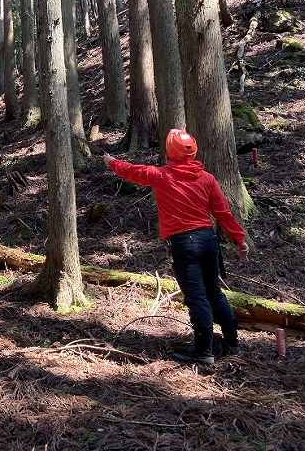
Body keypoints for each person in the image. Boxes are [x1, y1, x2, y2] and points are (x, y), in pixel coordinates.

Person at [103, 129, 248, 366]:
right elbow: (223, 213)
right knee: (213, 292)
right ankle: (232, 343)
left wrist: (111, 162)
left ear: (170, 152)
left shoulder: (161, 176)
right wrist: (239, 239)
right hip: (209, 241)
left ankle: (203, 352)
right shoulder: (207, 179)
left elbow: (132, 171)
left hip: (185, 244)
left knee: (197, 297)